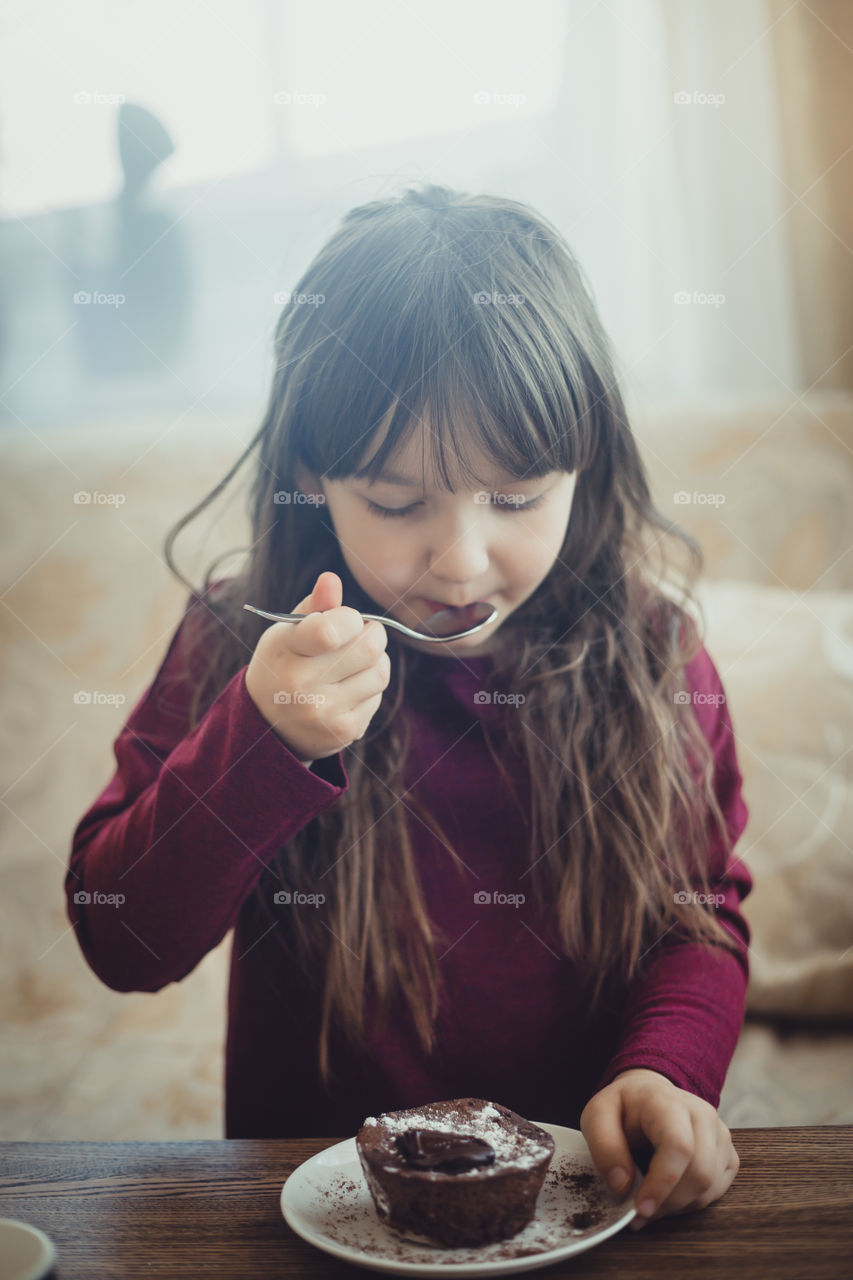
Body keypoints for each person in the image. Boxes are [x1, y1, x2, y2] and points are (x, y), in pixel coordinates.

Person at [67, 183, 752, 1232]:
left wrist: (667, 1067)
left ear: (587, 461)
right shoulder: (237, 642)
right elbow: (123, 941)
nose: (461, 558)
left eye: (517, 496)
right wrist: (259, 740)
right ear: (312, 473)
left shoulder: (650, 654)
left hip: (581, 1202)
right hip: (316, 1207)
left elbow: (697, 916)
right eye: (394, 503)